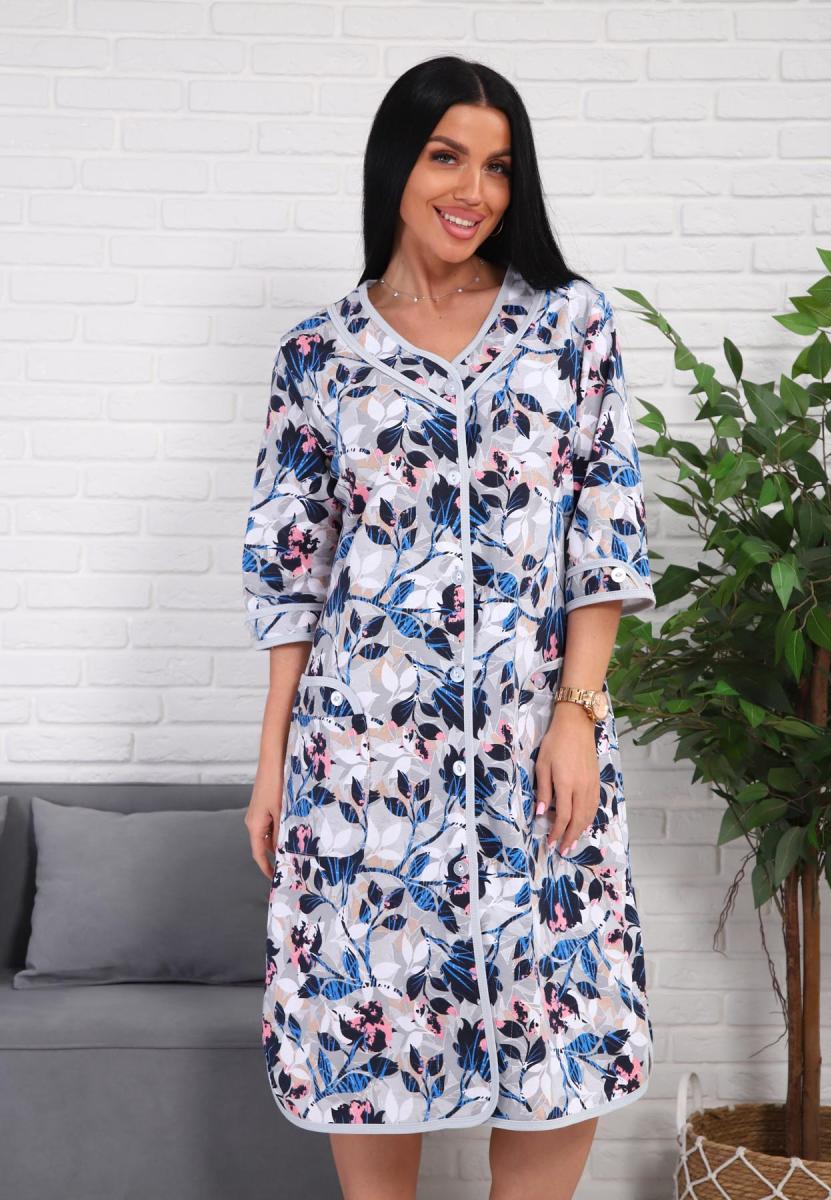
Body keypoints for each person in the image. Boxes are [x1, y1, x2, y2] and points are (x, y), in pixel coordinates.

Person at [241, 55, 656, 1200]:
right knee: (371, 1053)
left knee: (556, 1043)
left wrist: (576, 715)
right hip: (364, 777)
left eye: (498, 166)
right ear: (396, 164)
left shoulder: (568, 325)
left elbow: (604, 531)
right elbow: (290, 576)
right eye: (445, 157)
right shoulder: (316, 356)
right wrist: (272, 762)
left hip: (535, 759)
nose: (473, 189)